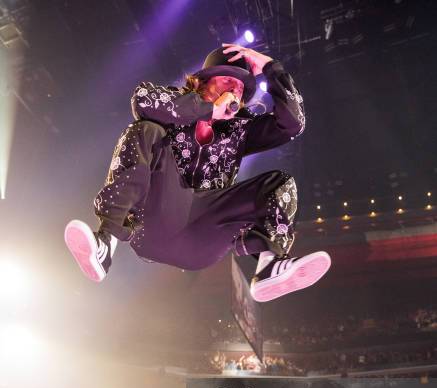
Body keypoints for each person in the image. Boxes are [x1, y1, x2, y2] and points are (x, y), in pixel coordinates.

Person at [65, 44, 331, 302]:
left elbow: (293, 124)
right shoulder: (173, 106)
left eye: (240, 88)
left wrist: (273, 69)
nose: (235, 92)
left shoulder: (242, 129)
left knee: (280, 184)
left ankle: (269, 266)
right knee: (145, 132)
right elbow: (142, 100)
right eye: (228, 82)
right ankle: (106, 243)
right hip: (156, 224)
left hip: (202, 239)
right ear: (204, 82)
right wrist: (207, 110)